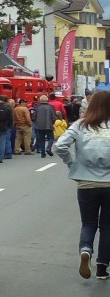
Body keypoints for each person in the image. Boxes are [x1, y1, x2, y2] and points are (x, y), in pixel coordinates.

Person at [55, 90, 110, 280]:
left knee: (88, 223)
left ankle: (85, 250)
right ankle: (102, 268)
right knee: (107, 226)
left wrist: (72, 165)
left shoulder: (80, 125)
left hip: (86, 181)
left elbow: (60, 146)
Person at [0, 94, 14, 162]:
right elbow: (10, 119)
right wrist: (9, 126)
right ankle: (0, 158)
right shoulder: (8, 108)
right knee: (2, 144)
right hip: (4, 127)